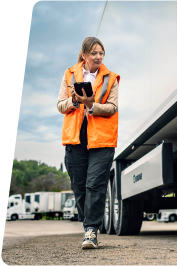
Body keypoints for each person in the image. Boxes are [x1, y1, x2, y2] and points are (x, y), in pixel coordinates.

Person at [57, 37, 119, 249]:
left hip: (101, 139)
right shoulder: (69, 74)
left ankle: (91, 230)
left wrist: (92, 105)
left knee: (95, 185)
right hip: (76, 138)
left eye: (101, 53)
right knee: (79, 187)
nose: (98, 57)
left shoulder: (111, 78)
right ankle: (89, 226)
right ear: (84, 55)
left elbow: (112, 107)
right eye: (94, 53)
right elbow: (60, 105)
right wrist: (75, 101)